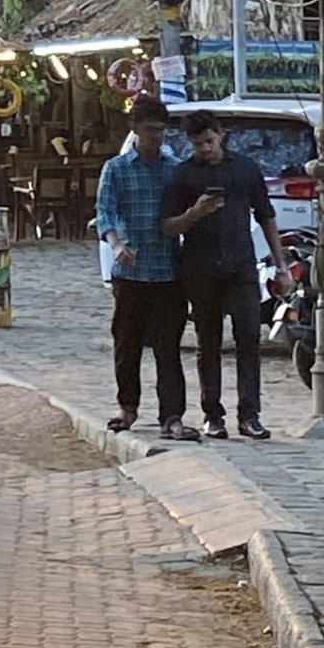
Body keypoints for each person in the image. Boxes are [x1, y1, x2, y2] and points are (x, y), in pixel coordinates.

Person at [162, 113, 280, 441]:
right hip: (200, 268)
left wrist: (281, 265)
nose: (205, 149)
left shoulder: (245, 169)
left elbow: (266, 216)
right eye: (198, 144)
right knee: (207, 343)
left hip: (242, 265)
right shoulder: (183, 175)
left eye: (209, 142)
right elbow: (168, 227)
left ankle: (250, 414)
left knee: (249, 339)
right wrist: (195, 213)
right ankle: (212, 414)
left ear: (221, 134)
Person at [93, 98, 190, 438]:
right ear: (135, 129)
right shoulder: (116, 169)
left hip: (168, 270)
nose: (156, 137)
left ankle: (172, 415)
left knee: (168, 348)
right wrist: (116, 245)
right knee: (127, 343)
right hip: (130, 273)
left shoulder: (174, 169)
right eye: (150, 130)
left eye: (161, 131)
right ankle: (128, 406)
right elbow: (104, 213)